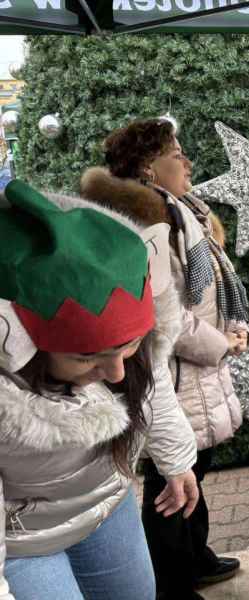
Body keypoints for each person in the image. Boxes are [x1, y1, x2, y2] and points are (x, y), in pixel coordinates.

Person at [0, 180, 199, 600]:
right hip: (18, 545)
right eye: (86, 358)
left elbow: (153, 380)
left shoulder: (132, 352)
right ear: (23, 346)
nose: (115, 374)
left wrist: (176, 459)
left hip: (106, 505)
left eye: (126, 349)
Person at [81, 118, 249, 599]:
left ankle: (197, 558)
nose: (188, 161)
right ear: (148, 169)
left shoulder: (179, 213)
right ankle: (172, 583)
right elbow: (163, 316)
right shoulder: (150, 224)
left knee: (196, 466)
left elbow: (203, 296)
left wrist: (230, 328)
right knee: (170, 481)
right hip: (175, 375)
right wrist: (223, 344)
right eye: (177, 153)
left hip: (196, 370)